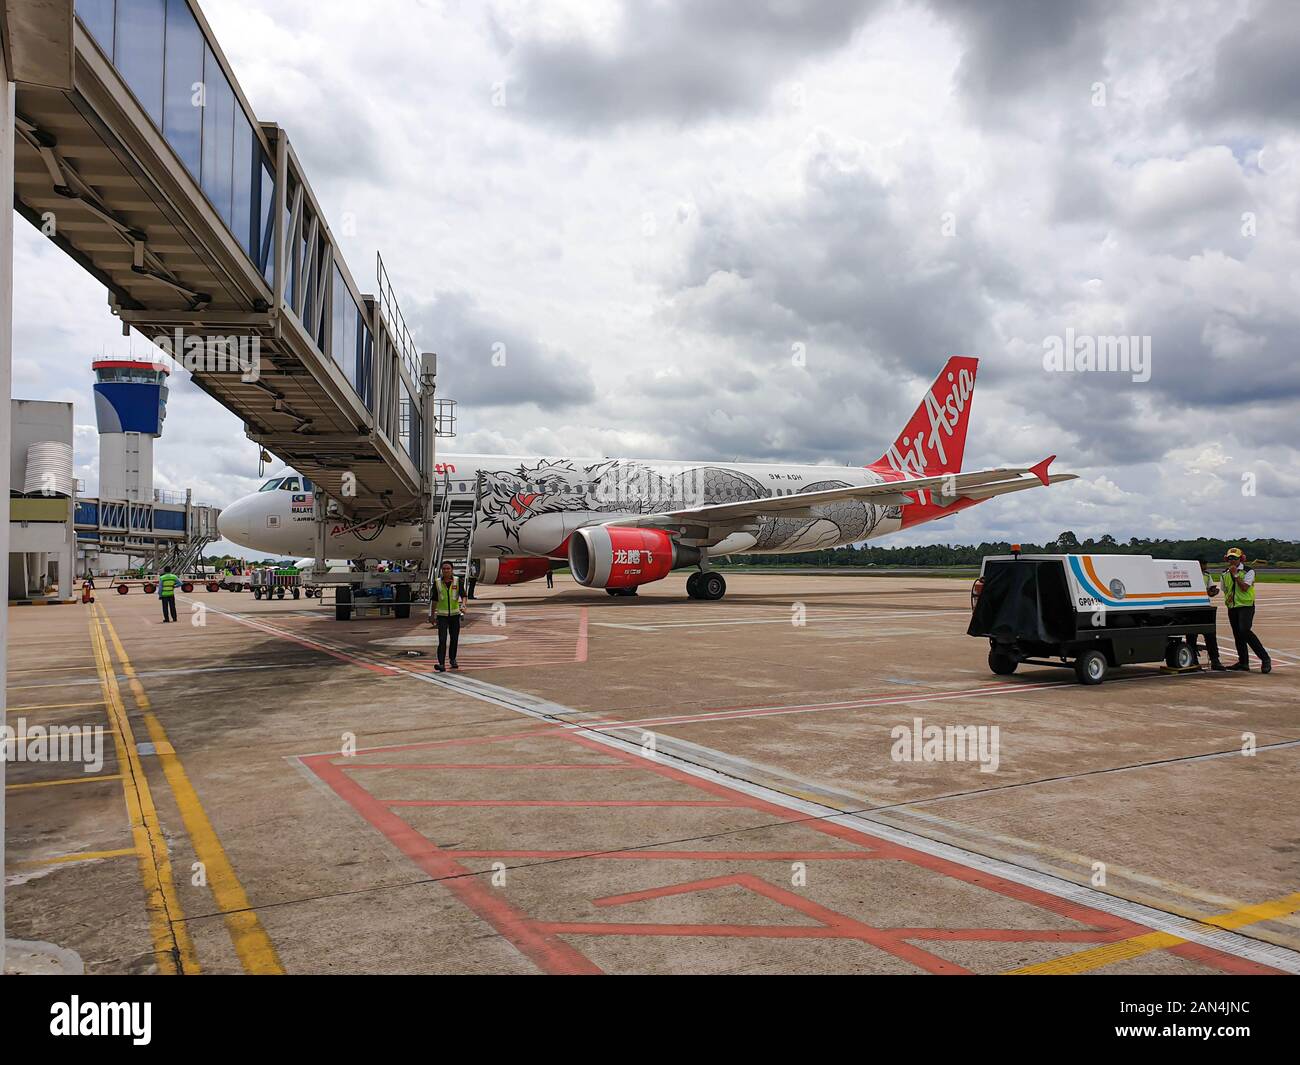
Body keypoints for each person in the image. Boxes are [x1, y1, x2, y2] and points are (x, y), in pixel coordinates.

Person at [1221, 547, 1271, 673]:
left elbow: (1244, 588)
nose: (1232, 560)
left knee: (1245, 630)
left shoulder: (1249, 571)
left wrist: (1235, 575)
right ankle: (1243, 662)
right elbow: (1224, 589)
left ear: (1241, 559)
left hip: (1246, 606)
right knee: (1237, 634)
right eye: (1230, 558)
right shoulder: (1224, 573)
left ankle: (1265, 658)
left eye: (1235, 558)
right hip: (1232, 606)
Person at [1186, 557, 1225, 670]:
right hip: (1191, 608)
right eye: (1203, 564)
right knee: (1191, 636)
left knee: (1210, 635)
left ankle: (1215, 660)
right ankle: (1193, 660)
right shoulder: (1189, 575)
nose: (1205, 567)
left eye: (1205, 564)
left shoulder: (1207, 576)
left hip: (1204, 607)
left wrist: (1213, 592)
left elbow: (1210, 590)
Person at [430, 561, 463, 672]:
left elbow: (464, 595)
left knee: (454, 639)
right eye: (444, 569)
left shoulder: (458, 581)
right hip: (442, 616)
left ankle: (453, 659)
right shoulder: (437, 582)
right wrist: (432, 615)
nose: (446, 570)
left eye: (448, 568)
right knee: (442, 640)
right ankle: (441, 663)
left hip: (454, 615)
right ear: (441, 570)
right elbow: (434, 600)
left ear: (452, 570)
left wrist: (464, 604)